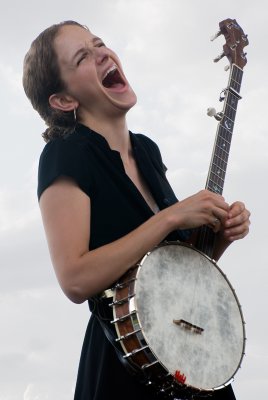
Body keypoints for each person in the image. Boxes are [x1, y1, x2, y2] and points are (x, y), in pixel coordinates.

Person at [22, 20, 250, 400]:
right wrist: (172, 217)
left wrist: (220, 237)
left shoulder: (146, 150)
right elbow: (74, 278)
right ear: (64, 100)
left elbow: (171, 273)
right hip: (126, 365)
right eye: (83, 57)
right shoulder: (65, 153)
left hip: (189, 357)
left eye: (100, 44)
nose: (102, 54)